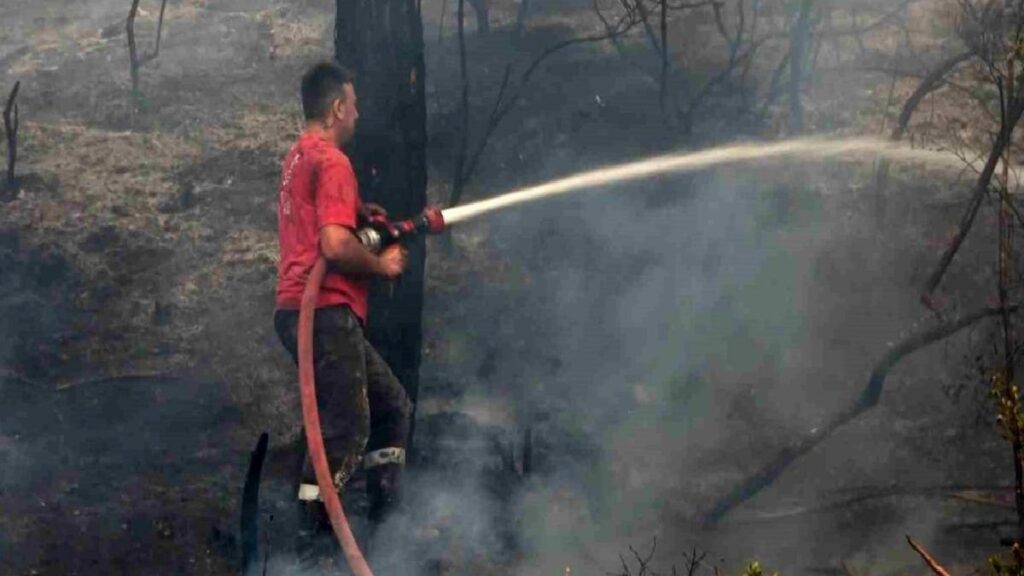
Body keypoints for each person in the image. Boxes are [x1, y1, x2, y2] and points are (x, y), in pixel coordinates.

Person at [272, 61, 413, 560]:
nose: (358, 113)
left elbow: (323, 225)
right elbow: (332, 245)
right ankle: (309, 549)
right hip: (325, 313)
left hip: (302, 315)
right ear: (336, 108)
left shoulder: (298, 157)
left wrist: (358, 215)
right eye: (353, 105)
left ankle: (383, 530)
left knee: (392, 405)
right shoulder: (333, 161)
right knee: (348, 428)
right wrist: (381, 264)